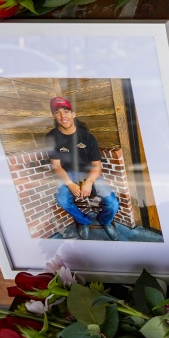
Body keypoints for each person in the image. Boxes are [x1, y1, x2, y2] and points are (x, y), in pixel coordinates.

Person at [45, 97, 120, 240]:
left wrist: (90, 181)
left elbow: (97, 166)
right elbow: (56, 165)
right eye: (57, 112)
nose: (63, 116)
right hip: (67, 174)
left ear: (73, 114)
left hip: (89, 172)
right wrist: (70, 183)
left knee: (112, 203)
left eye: (66, 111)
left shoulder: (87, 137)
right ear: (54, 116)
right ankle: (83, 221)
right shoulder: (51, 137)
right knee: (62, 200)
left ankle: (105, 221)